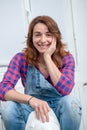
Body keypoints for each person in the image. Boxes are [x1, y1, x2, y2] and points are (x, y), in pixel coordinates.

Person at [0, 15, 82, 130]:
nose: (43, 40)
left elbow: (66, 89)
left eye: (48, 35)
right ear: (31, 38)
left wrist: (47, 57)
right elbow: (3, 89)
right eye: (38, 35)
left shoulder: (66, 58)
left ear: (55, 37)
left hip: (58, 107)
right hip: (31, 107)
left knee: (71, 103)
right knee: (7, 107)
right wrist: (30, 100)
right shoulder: (20, 59)